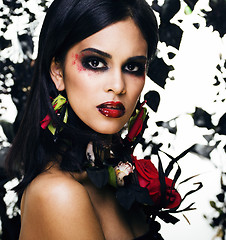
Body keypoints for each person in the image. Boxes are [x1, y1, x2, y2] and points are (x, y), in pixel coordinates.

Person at [6, 0, 180, 239]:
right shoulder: (58, 194)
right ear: (58, 71)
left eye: (133, 66)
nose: (118, 86)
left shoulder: (115, 180)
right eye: (95, 62)